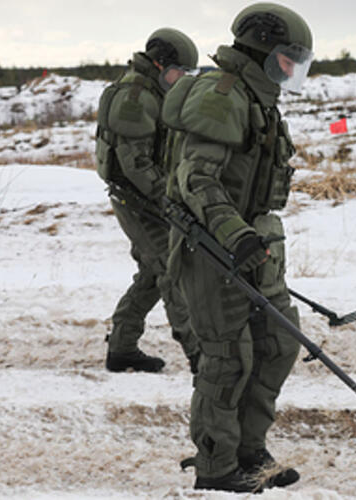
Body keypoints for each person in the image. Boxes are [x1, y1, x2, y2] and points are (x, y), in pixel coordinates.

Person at [161, 2, 313, 492]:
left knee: (278, 344)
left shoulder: (257, 98)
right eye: (288, 59)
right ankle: (217, 466)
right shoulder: (220, 95)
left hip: (249, 245)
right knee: (228, 358)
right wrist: (235, 234)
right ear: (263, 52)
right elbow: (196, 178)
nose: (292, 70)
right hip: (209, 247)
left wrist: (249, 238)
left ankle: (249, 450)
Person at [94, 28, 201, 373]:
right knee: (170, 271)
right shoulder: (135, 95)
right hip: (135, 200)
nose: (181, 80)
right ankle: (202, 358)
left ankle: (122, 348)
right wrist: (168, 199)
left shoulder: (152, 89)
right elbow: (135, 163)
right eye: (178, 73)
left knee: (153, 273)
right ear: (159, 63)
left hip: (147, 196)